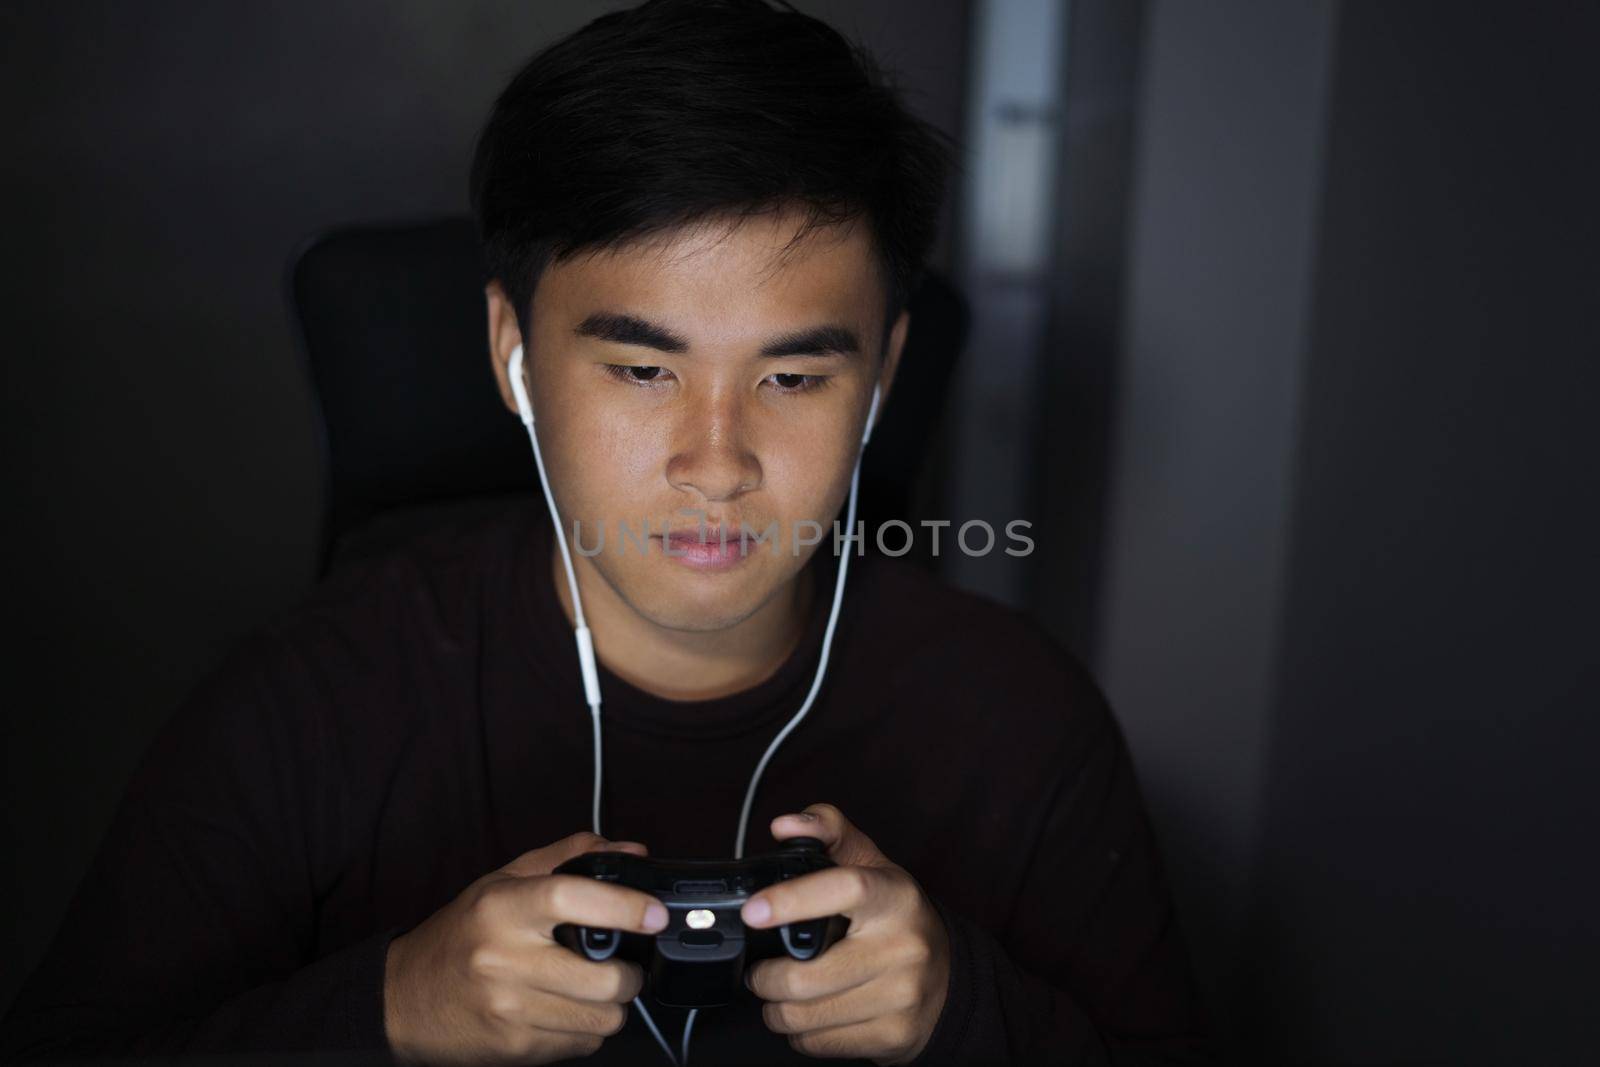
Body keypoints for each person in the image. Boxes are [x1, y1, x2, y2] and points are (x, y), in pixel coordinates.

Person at [1, 1, 1208, 1064]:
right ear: (510, 353)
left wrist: (965, 1010)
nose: (716, 464)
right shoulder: (309, 702)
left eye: (791, 379)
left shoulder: (1019, 722)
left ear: (882, 375)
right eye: (641, 368)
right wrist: (385, 1010)